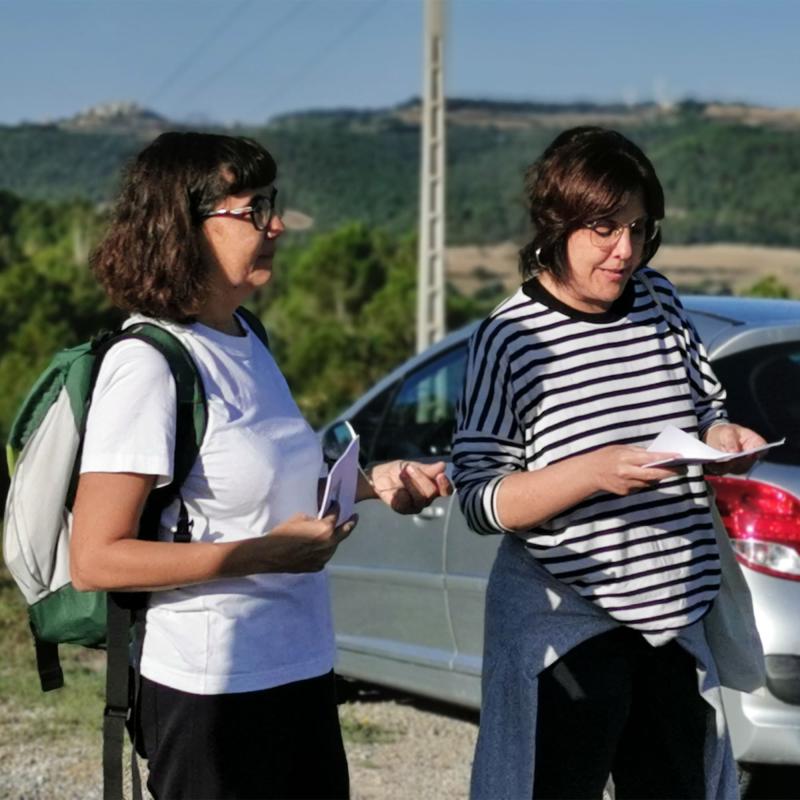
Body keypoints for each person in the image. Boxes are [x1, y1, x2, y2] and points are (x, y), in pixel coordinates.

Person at [70, 131, 452, 800]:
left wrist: (372, 485)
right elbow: (96, 559)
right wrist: (261, 555)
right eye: (251, 209)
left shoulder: (249, 337)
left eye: (270, 203)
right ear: (181, 226)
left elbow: (258, 493)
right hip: (210, 690)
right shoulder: (148, 365)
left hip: (298, 667)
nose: (276, 224)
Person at [452, 126, 766, 800]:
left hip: (677, 617)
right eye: (603, 228)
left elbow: (706, 404)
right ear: (554, 223)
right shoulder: (511, 337)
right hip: (568, 623)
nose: (625, 250)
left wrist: (723, 433)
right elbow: (478, 498)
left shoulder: (659, 299)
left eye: (638, 228)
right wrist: (592, 471)